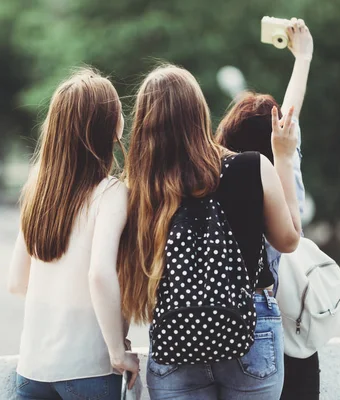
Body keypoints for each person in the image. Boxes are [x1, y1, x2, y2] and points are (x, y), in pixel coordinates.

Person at [117, 64, 302, 399]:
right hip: (248, 325)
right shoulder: (251, 166)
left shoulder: (139, 190)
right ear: (199, 112)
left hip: (175, 331)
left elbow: (124, 273)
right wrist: (284, 158)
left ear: (143, 121)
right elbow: (288, 241)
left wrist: (120, 342)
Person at [7, 68, 139, 400]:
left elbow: (17, 282)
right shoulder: (110, 193)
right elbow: (99, 273)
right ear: (107, 127)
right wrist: (117, 351)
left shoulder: (38, 190)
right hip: (88, 369)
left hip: (32, 369)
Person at [216, 18, 319, 400]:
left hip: (228, 325)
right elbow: (290, 238)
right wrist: (303, 57)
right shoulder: (284, 168)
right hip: (285, 326)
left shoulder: (217, 177)